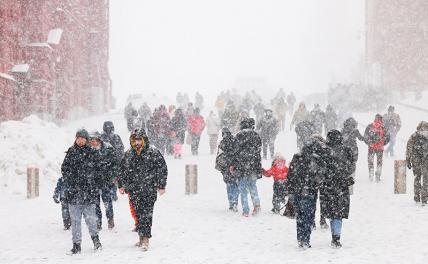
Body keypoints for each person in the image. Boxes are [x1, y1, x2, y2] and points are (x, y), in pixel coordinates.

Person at [118, 129, 168, 251]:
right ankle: (141, 236)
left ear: (144, 140)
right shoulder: (129, 154)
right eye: (135, 140)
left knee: (146, 214)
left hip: (149, 189)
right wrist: (121, 185)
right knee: (138, 215)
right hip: (134, 190)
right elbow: (121, 170)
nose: (137, 142)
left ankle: (146, 238)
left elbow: (162, 169)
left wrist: (161, 185)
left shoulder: (153, 152)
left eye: (139, 139)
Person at [61, 129, 102, 254]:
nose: (80, 140)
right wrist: (72, 181)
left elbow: (98, 171)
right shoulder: (71, 152)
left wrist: (93, 184)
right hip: (73, 194)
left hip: (89, 193)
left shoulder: (93, 153)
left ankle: (96, 241)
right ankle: (76, 245)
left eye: (82, 138)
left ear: (86, 139)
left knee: (91, 220)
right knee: (75, 221)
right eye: (78, 138)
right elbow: (64, 169)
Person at [287, 137, 327, 249]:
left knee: (300, 215)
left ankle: (300, 238)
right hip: (310, 192)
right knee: (308, 216)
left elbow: (290, 175)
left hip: (297, 191)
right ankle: (306, 239)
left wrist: (290, 190)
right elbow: (320, 177)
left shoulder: (296, 158)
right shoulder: (317, 160)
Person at [321, 130, 354, 248]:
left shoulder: (324, 151)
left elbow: (320, 169)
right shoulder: (346, 150)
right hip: (342, 186)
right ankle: (336, 237)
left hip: (328, 186)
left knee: (331, 211)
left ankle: (334, 236)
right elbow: (351, 167)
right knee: (338, 213)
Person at [230, 118, 262, 217]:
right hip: (253, 165)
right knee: (252, 186)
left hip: (242, 166)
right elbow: (258, 152)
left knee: (243, 188)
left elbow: (235, 152)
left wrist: (233, 164)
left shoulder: (239, 136)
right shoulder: (256, 135)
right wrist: (258, 165)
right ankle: (257, 205)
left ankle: (246, 210)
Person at [89, 131, 117, 230]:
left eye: (94, 140)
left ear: (99, 140)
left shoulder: (108, 148)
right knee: (95, 204)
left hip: (106, 180)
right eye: (91, 140)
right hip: (93, 182)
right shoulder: (88, 150)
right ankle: (98, 222)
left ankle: (110, 219)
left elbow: (114, 163)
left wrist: (113, 176)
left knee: (107, 202)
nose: (93, 142)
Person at [215, 128, 239, 211]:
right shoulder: (235, 141)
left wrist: (220, 166)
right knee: (236, 184)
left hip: (226, 167)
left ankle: (231, 202)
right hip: (235, 166)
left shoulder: (222, 143)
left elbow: (219, 156)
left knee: (229, 185)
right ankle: (235, 201)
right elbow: (238, 153)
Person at [101, 121, 124, 201]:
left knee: (114, 177)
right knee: (108, 178)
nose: (109, 130)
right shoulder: (102, 138)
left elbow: (121, 148)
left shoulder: (117, 137)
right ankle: (109, 193)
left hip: (116, 161)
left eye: (110, 128)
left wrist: (121, 158)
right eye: (108, 128)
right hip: (106, 161)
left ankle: (113, 193)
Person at [406, 121, 428, 205]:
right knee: (426, 179)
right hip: (426, 159)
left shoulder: (414, 135)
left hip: (416, 159)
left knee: (417, 177)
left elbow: (409, 148)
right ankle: (425, 198)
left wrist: (408, 159)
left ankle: (417, 197)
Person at [364, 114, 390, 182]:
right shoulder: (383, 127)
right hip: (380, 148)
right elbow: (388, 137)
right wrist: (383, 143)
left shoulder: (370, 126)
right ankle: (378, 176)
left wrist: (369, 143)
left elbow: (365, 137)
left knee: (370, 161)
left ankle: (371, 174)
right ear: (381, 119)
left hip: (371, 148)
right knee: (379, 162)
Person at [341, 118, 365, 188]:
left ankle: (346, 174)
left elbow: (339, 139)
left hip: (345, 149)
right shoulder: (355, 131)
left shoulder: (343, 130)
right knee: (353, 162)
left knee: (345, 161)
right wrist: (367, 138)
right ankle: (352, 175)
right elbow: (361, 138)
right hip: (353, 148)